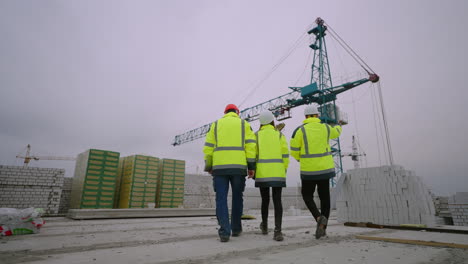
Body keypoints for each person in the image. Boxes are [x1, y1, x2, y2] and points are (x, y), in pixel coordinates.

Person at [203, 104, 257, 242]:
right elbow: (251, 146)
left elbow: (208, 147)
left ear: (225, 112)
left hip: (219, 168)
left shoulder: (215, 125)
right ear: (237, 112)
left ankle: (224, 232)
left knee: (221, 199)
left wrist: (209, 165)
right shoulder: (244, 124)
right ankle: (237, 229)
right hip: (238, 168)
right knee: (237, 198)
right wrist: (251, 166)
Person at [290, 104, 342, 239]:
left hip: (308, 170)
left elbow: (294, 150)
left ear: (305, 117)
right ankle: (323, 227)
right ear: (317, 115)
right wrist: (339, 124)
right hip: (325, 169)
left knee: (307, 195)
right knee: (325, 198)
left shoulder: (299, 131)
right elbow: (336, 131)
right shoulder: (325, 127)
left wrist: (301, 159)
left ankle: (318, 217)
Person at [252, 111, 289, 241]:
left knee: (265, 200)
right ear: (272, 121)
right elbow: (285, 154)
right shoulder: (279, 135)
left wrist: (253, 170)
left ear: (261, 122)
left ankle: (265, 226)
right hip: (278, 172)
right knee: (277, 201)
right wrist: (283, 169)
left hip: (262, 173)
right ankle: (278, 231)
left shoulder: (256, 135)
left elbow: (253, 154)